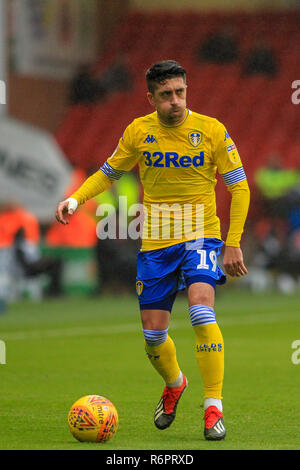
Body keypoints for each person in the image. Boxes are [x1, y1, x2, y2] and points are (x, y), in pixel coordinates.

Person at [55, 60, 250, 441]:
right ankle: (175, 383)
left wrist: (233, 241)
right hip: (157, 244)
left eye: (180, 92)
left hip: (201, 236)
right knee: (153, 336)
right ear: (151, 98)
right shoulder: (138, 131)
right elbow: (109, 172)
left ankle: (213, 408)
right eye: (166, 95)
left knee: (199, 308)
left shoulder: (211, 130)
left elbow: (239, 187)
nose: (175, 101)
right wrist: (75, 199)